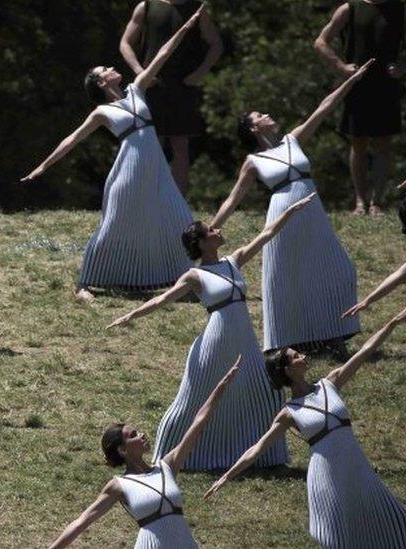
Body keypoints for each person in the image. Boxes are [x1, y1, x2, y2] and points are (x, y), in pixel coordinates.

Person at [107, 195, 315, 470]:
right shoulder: (195, 276)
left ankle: (268, 456)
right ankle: (172, 452)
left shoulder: (233, 261)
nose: (218, 230)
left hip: (245, 339)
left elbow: (266, 234)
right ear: (202, 242)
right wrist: (130, 315)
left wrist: (289, 211)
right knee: (198, 397)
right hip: (216, 341)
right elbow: (163, 299)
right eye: (211, 230)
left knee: (265, 392)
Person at [21, 8, 201, 303]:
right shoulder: (102, 112)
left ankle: (180, 281)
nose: (110, 68)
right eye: (104, 70)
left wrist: (185, 28)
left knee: (178, 217)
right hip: (128, 172)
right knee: (114, 225)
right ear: (101, 83)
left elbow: (162, 56)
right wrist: (42, 166)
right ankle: (84, 284)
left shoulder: (136, 90)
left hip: (156, 171)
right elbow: (72, 139)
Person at [205, 309, 406, 548]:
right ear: (288, 370)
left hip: (356, 465)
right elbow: (257, 449)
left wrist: (392, 322)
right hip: (327, 475)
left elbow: (364, 352)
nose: (303, 356)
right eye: (296, 356)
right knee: (341, 535)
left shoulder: (329, 384)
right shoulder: (289, 413)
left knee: (390, 516)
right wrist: (226, 477)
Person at [212, 63, 374, 354]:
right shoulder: (253, 161)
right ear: (253, 128)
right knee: (287, 277)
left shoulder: (292, 140)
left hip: (313, 214)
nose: (267, 115)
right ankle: (290, 341)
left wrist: (350, 81)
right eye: (260, 115)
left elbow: (323, 109)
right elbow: (232, 199)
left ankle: (334, 334)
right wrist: (212, 228)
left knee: (337, 269)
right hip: (282, 218)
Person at [48, 358, 241, 548]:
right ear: (122, 450)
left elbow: (198, 424)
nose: (141, 435)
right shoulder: (119, 485)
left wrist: (221, 386)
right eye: (133, 435)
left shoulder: (167, 466)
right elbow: (82, 522)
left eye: (138, 431)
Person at [119, 0, 223, 191]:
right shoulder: (147, 6)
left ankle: (178, 202)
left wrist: (200, 73)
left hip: (182, 85)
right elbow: (125, 43)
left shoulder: (196, 9)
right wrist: (140, 72)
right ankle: (150, 196)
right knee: (151, 143)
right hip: (151, 86)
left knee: (180, 145)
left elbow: (216, 44)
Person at [315, 0, 404, 215]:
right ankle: (360, 202)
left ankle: (377, 202)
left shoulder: (399, 10)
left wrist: (402, 65)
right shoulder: (350, 8)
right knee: (358, 143)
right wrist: (341, 66)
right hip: (357, 85)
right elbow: (321, 42)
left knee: (384, 144)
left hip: (386, 86)